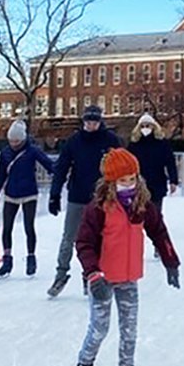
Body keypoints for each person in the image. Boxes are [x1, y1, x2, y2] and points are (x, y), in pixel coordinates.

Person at [69, 148, 180, 366]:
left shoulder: (142, 204)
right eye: (122, 181)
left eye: (132, 179)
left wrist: (170, 261)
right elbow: (83, 243)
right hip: (102, 280)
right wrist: (92, 274)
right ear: (110, 182)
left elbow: (158, 232)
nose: (128, 185)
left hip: (129, 278)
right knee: (99, 330)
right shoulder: (99, 208)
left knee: (130, 330)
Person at [48, 105, 122, 297]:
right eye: (88, 122)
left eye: (94, 122)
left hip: (101, 198)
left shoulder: (110, 140)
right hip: (77, 196)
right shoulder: (74, 141)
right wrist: (54, 194)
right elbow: (62, 168)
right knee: (68, 238)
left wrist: (122, 193)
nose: (91, 125)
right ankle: (61, 274)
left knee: (97, 238)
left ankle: (90, 276)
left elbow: (123, 167)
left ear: (100, 121)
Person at [0, 120, 55, 278]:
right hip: (11, 194)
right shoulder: (5, 153)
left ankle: (31, 257)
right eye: (11, 141)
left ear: (23, 139)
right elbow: (1, 176)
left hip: (29, 194)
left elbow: (48, 165)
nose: (14, 144)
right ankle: (7, 259)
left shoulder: (32, 151)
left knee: (28, 227)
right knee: (7, 228)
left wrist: (60, 175)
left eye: (17, 141)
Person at [128, 113, 179, 210]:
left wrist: (173, 180)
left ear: (153, 126)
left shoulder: (162, 143)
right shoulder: (134, 144)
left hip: (157, 183)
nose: (145, 128)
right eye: (142, 126)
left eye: (148, 125)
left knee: (156, 213)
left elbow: (170, 162)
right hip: (139, 184)